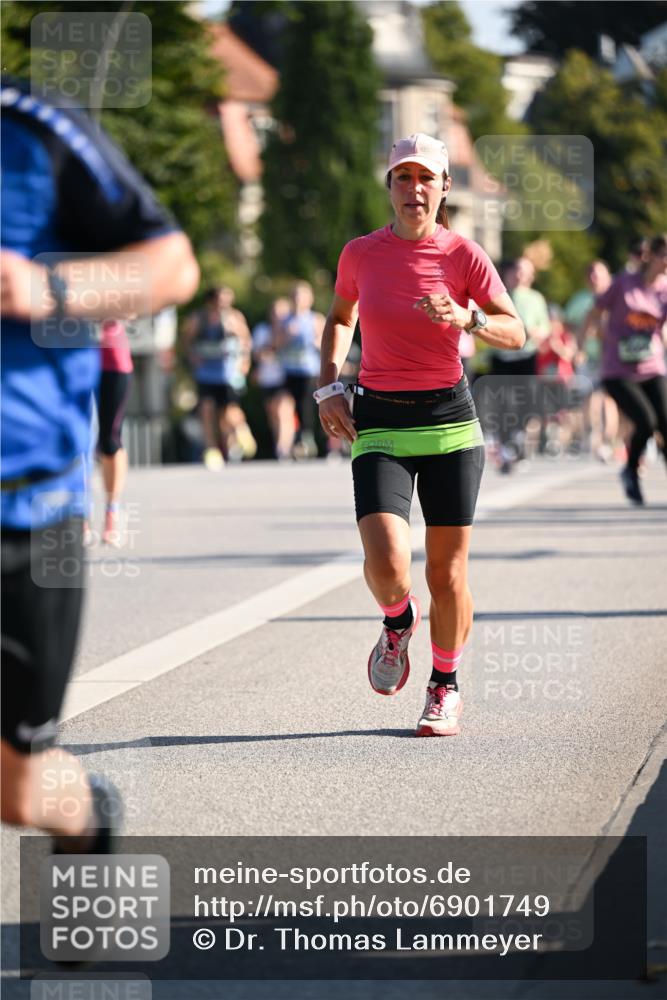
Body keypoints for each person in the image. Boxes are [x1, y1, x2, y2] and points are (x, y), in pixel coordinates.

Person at [1, 75, 199, 849]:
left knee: (17, 789)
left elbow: (172, 267)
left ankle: (86, 815)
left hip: (27, 510)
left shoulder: (35, 125)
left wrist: (46, 285)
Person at [316, 133, 524, 736]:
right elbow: (341, 317)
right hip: (379, 418)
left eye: (426, 178)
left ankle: (444, 685)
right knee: (385, 563)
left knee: (447, 573)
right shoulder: (361, 254)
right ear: (390, 187)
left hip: (449, 424)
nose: (415, 189)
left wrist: (469, 318)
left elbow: (516, 332)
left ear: (444, 187)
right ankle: (397, 621)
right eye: (403, 178)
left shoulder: (464, 255)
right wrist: (329, 384)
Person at [587, 235, 667, 505]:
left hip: (652, 367)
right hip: (618, 371)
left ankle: (632, 472)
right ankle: (630, 472)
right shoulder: (623, 283)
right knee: (646, 422)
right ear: (651, 256)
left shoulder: (665, 289)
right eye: (664, 256)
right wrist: (584, 341)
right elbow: (595, 311)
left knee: (665, 423)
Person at [488, 257, 550, 472]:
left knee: (526, 402)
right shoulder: (497, 295)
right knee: (503, 402)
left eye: (524, 271)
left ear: (531, 275)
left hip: (526, 356)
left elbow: (545, 327)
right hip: (501, 356)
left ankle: (518, 438)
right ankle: (505, 449)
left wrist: (536, 333)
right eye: (516, 270)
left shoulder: (536, 298)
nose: (519, 275)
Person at [183, 285, 256, 468]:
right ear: (211, 301)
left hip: (229, 374)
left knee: (229, 413)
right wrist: (193, 356)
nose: (223, 304)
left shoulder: (235, 317)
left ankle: (239, 434)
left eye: (227, 300)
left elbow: (246, 341)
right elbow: (187, 340)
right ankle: (211, 450)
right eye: (220, 300)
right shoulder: (199, 318)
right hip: (206, 373)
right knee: (206, 410)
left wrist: (245, 361)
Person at [564, 260, 618, 462]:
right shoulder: (581, 299)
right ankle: (592, 437)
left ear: (607, 276)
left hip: (611, 355)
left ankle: (607, 441)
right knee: (589, 398)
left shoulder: (616, 296)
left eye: (599, 274)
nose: (595, 278)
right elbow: (568, 323)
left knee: (608, 399)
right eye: (591, 274)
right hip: (588, 357)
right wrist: (578, 344)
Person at [93, 318, 134, 545]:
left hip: (112, 361)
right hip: (71, 361)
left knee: (109, 440)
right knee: (76, 441)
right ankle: (80, 515)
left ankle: (112, 513)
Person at [275, 280, 325, 459]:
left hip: (308, 371)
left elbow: (326, 343)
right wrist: (286, 335)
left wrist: (316, 341)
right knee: (285, 406)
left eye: (301, 296)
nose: (297, 300)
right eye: (295, 296)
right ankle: (287, 443)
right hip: (288, 371)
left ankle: (306, 436)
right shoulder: (285, 320)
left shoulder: (315, 319)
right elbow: (275, 344)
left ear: (309, 299)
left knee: (305, 407)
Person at [251, 297, 296, 460]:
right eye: (275, 313)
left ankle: (283, 447)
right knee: (273, 414)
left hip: (285, 376)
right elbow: (258, 354)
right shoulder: (262, 331)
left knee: (283, 410)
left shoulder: (292, 329)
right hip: (267, 378)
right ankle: (281, 442)